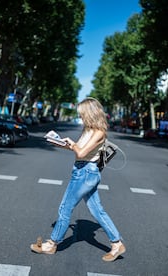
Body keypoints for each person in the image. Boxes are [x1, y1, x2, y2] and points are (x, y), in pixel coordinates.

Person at [30, 97, 126, 262]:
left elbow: (81, 153)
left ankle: (52, 244)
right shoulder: (88, 130)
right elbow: (79, 151)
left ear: (90, 113)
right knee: (97, 210)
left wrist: (73, 145)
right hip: (83, 171)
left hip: (85, 173)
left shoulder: (99, 132)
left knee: (65, 208)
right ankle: (117, 244)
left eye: (82, 114)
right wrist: (60, 143)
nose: (81, 117)